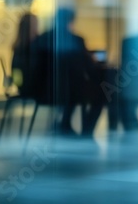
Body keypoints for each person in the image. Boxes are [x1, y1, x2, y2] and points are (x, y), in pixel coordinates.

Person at [32, 8, 106, 138]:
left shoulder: (42, 39)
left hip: (44, 90)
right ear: (70, 20)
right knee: (101, 95)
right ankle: (85, 133)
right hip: (69, 91)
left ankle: (64, 124)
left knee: (73, 87)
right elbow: (89, 68)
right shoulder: (76, 40)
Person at [11, 13, 38, 98]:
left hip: (27, 87)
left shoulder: (22, 47)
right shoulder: (22, 49)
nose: (36, 29)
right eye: (35, 26)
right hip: (29, 88)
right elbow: (17, 73)